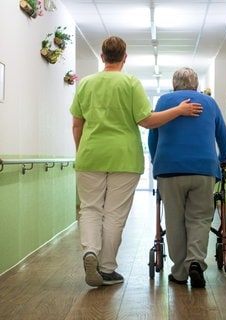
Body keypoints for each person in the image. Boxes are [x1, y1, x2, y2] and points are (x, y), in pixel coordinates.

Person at [69, 36, 202, 287]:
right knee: (115, 214)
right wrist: (179, 111)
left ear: (102, 56)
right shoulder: (130, 82)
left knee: (90, 208)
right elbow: (147, 121)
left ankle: (90, 252)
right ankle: (107, 268)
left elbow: (77, 124)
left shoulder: (85, 84)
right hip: (124, 158)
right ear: (125, 57)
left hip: (89, 156)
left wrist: (82, 152)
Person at [148, 67, 226, 288]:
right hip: (203, 169)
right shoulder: (209, 102)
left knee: (174, 220)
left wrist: (156, 161)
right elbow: (223, 136)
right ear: (196, 85)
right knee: (200, 219)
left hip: (169, 169)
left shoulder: (164, 101)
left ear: (174, 85)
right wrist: (224, 159)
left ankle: (180, 272)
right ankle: (195, 262)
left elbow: (153, 136)